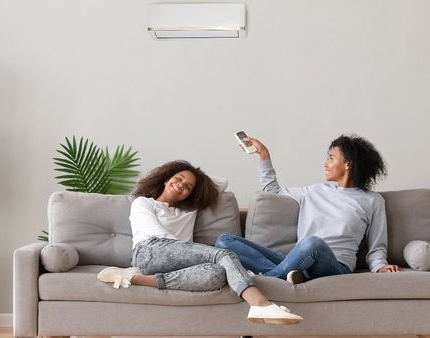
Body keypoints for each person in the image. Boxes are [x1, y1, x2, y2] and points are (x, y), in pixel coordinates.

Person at [97, 160, 303, 325]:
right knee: (223, 255)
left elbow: (221, 182)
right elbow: (155, 234)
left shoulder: (188, 210)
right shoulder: (143, 203)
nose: (181, 186)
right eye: (178, 179)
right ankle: (260, 303)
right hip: (149, 251)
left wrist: (197, 181)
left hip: (177, 260)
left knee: (218, 274)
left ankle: (136, 279)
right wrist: (191, 251)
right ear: (165, 179)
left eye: (188, 187)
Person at [215, 135, 401, 285]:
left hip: (334, 265)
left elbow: (377, 245)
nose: (325, 163)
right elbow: (273, 191)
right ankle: (290, 275)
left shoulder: (372, 200)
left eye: (331, 158)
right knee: (225, 241)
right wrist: (264, 154)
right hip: (298, 260)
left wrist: (380, 266)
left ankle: (269, 280)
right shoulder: (316, 190)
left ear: (348, 164)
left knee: (313, 243)